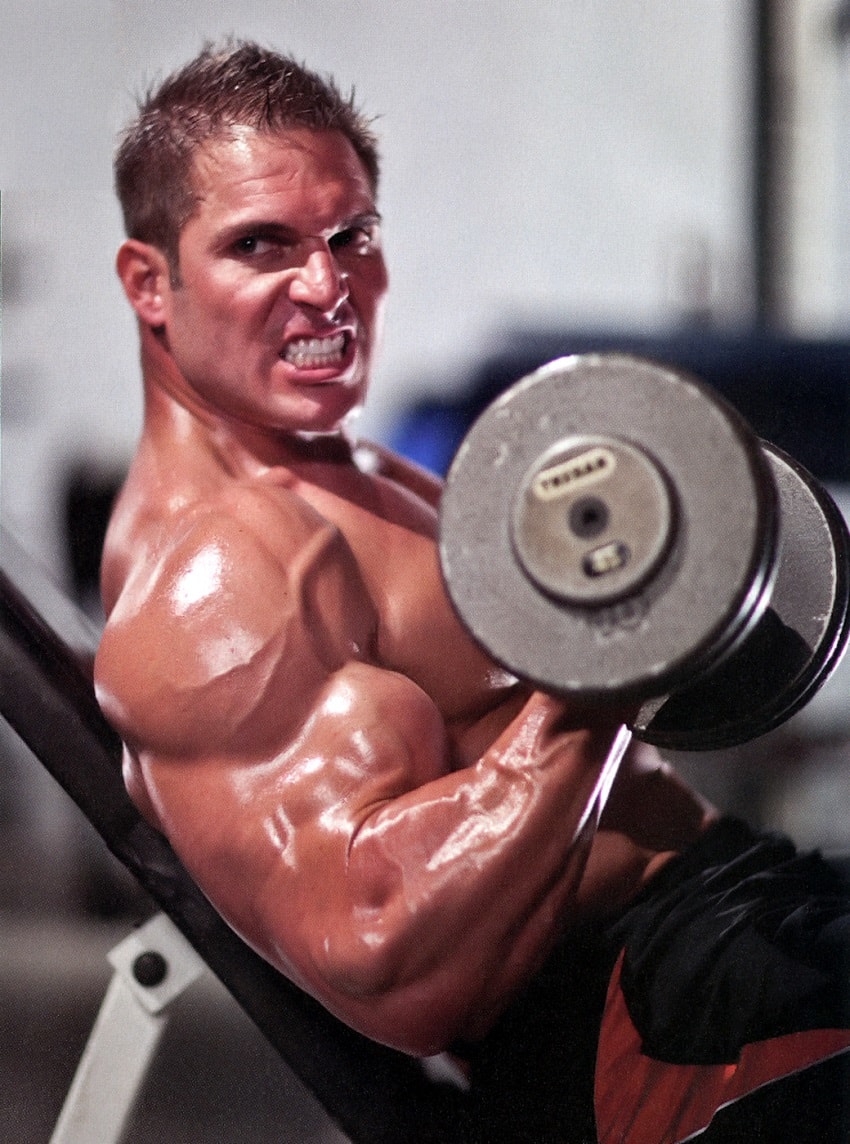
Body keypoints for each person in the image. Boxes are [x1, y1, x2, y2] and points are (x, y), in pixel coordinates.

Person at [94, 41, 850, 1141]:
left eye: (350, 235)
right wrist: (605, 666)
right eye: (261, 245)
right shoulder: (212, 587)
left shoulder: (339, 472)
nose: (326, 285)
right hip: (639, 1018)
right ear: (149, 282)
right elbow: (383, 948)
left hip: (725, 913)